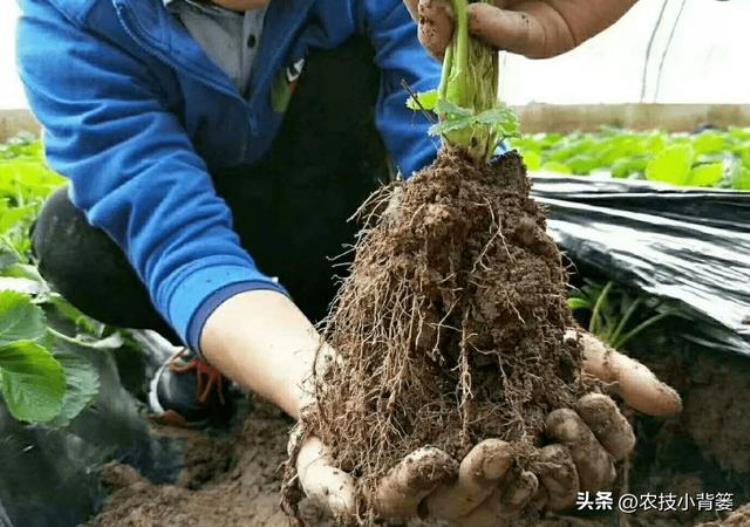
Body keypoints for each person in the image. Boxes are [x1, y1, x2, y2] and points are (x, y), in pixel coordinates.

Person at [17, 0, 679, 523]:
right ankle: (224, 352)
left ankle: (360, 326)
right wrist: (328, 399)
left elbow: (440, 137)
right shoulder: (72, 23)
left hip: (329, 202)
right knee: (72, 236)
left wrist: (504, 299)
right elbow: (177, 237)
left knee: (351, 80)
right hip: (207, 203)